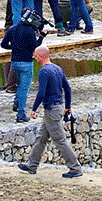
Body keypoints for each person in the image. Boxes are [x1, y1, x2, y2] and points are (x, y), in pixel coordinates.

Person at [17, 45, 82, 178]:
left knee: (60, 140)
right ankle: (31, 165)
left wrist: (33, 109)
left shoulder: (44, 71)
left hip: (51, 110)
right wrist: (67, 106)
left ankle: (75, 168)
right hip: (56, 108)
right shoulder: (57, 68)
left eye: (35, 55)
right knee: (41, 138)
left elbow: (41, 93)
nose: (34, 58)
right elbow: (67, 89)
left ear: (42, 56)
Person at [0, 13, 47, 122]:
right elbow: (34, 47)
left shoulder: (12, 29)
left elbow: (3, 44)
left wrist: (14, 47)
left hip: (14, 62)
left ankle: (17, 102)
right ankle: (20, 114)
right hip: (26, 63)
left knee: (20, 85)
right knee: (24, 89)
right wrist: (41, 37)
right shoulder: (30, 31)